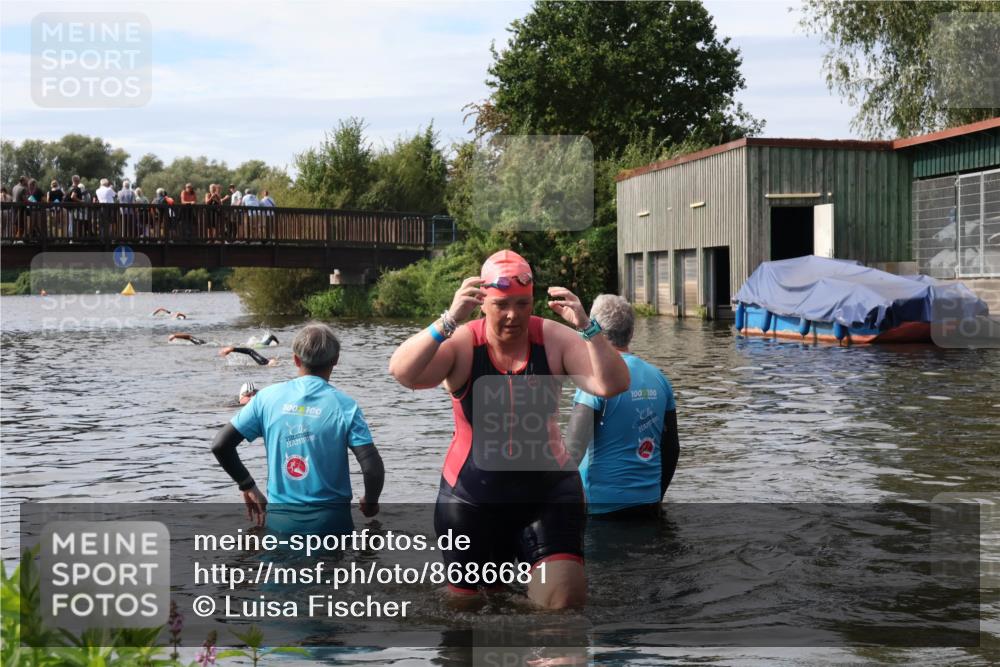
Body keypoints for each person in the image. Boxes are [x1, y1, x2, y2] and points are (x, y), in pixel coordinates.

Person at [388, 250, 630, 609]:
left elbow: (613, 384)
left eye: (523, 303)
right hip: (472, 502)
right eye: (502, 304)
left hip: (547, 496)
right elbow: (403, 372)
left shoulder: (553, 339)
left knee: (563, 609)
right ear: (482, 302)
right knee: (470, 621)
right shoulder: (463, 344)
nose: (513, 315)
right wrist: (449, 319)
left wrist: (588, 328)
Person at [211, 323, 384, 535]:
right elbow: (372, 468)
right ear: (336, 360)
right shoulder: (346, 406)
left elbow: (221, 445)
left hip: (281, 526)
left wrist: (247, 485)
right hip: (331, 525)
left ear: (295, 359)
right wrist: (370, 502)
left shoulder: (266, 398)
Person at [566, 295, 679, 519]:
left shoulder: (596, 380)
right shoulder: (659, 378)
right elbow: (671, 449)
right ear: (632, 332)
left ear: (592, 331)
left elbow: (573, 451)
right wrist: (656, 497)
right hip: (648, 504)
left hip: (601, 508)